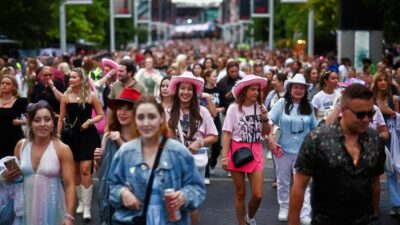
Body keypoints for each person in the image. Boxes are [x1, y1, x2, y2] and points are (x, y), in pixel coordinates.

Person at [289, 83, 386, 225]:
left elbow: (375, 183)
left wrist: (375, 216)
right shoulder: (317, 139)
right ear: (343, 110)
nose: (366, 119)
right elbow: (299, 187)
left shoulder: (375, 139)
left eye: (370, 113)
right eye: (360, 114)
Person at [108, 96, 205, 225]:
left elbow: (197, 188)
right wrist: (122, 193)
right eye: (141, 117)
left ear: (161, 118)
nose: (146, 123)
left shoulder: (178, 152)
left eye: (152, 117)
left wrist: (184, 196)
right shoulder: (125, 153)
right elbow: (112, 185)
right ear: (135, 121)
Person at [4, 100, 75, 225]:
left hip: (53, 209)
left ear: (53, 122)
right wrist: (7, 177)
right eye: (37, 120)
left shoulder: (63, 149)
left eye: (47, 119)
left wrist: (69, 216)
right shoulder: (21, 146)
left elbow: (70, 185)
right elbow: (15, 180)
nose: (43, 124)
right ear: (30, 124)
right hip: (25, 210)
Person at [165, 71, 218, 225]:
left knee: (191, 202)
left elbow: (214, 136)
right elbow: (162, 138)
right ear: (177, 90)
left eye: (189, 89)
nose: (186, 92)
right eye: (183, 88)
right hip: (174, 161)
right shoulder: (168, 112)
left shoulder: (203, 112)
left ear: (194, 92)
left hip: (196, 162)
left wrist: (200, 142)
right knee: (174, 200)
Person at [268, 74, 318, 224]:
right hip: (282, 150)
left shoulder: (308, 106)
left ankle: (305, 213)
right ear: (290, 89)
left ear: (305, 90)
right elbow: (269, 121)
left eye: (301, 88)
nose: (298, 90)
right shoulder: (281, 103)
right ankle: (284, 207)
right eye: (295, 87)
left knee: (303, 183)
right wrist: (270, 140)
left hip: (303, 152)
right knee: (283, 181)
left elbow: (314, 127)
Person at [221, 74, 270, 225]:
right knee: (240, 193)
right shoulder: (233, 109)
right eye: (252, 89)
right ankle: (241, 223)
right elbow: (227, 133)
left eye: (257, 90)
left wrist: (265, 118)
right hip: (236, 150)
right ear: (244, 91)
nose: (256, 92)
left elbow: (266, 132)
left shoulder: (260, 108)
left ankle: (249, 217)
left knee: (258, 194)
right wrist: (224, 157)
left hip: (255, 150)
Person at [57, 68, 104, 222]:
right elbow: (61, 117)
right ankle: (81, 201)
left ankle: (87, 206)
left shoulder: (91, 95)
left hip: (87, 136)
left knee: (85, 169)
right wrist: (57, 136)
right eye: (70, 77)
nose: (70, 79)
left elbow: (100, 115)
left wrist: (90, 121)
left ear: (81, 79)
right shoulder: (65, 96)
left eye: (74, 77)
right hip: (70, 136)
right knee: (75, 170)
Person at [94, 87, 141, 225]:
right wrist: (98, 160)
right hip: (110, 197)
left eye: (128, 109)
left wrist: (120, 141)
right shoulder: (108, 137)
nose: (122, 113)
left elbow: (139, 164)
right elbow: (101, 172)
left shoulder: (144, 138)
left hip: (135, 197)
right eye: (120, 108)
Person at [0, 75, 28, 159]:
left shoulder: (20, 102)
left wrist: (21, 122)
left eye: (8, 84)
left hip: (13, 139)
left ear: (14, 87)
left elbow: (33, 119)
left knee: (12, 167)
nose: (4, 85)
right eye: (2, 83)